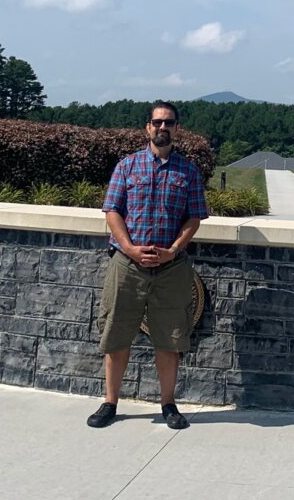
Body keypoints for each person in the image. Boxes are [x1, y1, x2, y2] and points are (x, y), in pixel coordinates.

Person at [86, 101, 209, 431]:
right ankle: (110, 402)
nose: (162, 127)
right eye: (157, 122)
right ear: (147, 127)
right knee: (116, 333)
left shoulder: (188, 172)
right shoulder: (127, 166)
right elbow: (112, 211)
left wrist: (172, 251)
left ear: (176, 128)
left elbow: (194, 218)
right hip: (127, 265)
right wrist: (128, 247)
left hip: (171, 269)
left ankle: (168, 404)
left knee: (169, 339)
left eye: (169, 122)